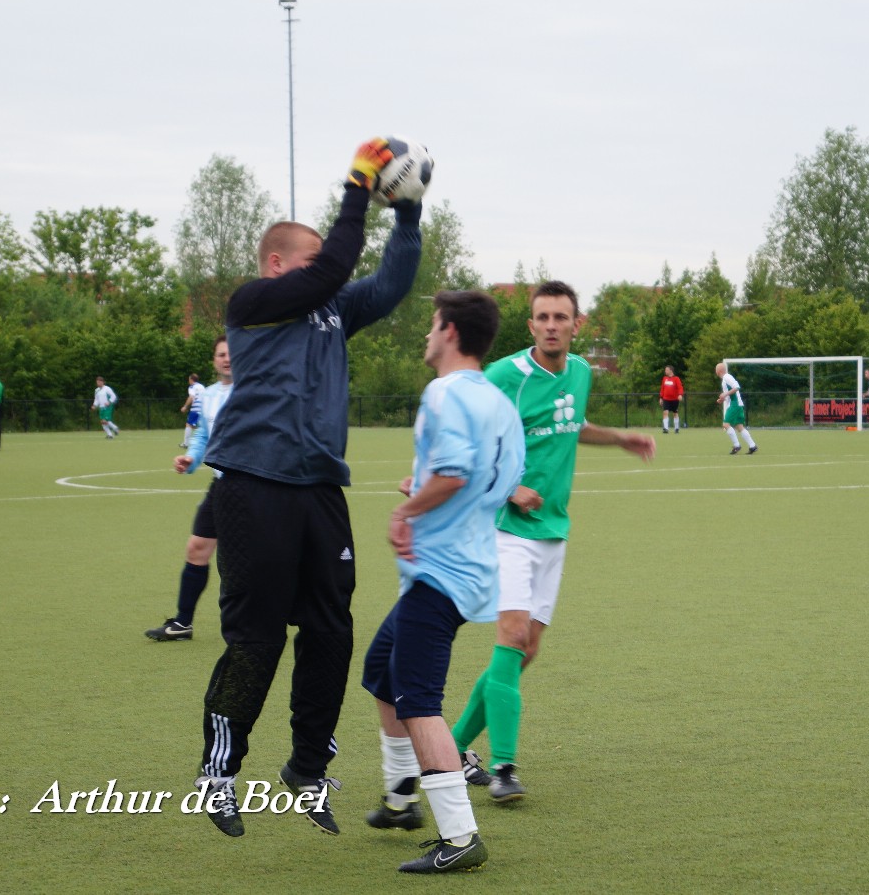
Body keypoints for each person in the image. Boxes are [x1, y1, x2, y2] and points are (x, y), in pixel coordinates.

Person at [192, 139, 420, 839]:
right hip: (253, 485)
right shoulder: (254, 302)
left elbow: (388, 284)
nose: (326, 268)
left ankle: (307, 766)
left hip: (320, 490)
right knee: (256, 637)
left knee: (330, 631)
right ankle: (219, 773)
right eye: (313, 258)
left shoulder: (330, 307)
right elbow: (334, 272)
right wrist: (357, 188)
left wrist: (407, 214)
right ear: (276, 263)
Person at [451, 280, 655, 804]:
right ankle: (503, 768)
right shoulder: (505, 376)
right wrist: (508, 487)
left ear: (576, 324)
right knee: (512, 635)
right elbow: (465, 436)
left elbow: (571, 424)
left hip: (553, 530)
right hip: (505, 529)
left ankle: (451, 749)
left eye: (560, 317)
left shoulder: (581, 372)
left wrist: (620, 438)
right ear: (530, 325)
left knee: (526, 650)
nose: (550, 326)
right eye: (542, 317)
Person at [362, 291, 524, 873]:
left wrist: (406, 511)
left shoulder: (445, 392)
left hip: (442, 570)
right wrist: (427, 485)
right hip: (469, 562)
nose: (427, 335)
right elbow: (497, 479)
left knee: (416, 699)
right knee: (382, 672)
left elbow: (454, 474)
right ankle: (401, 799)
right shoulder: (498, 402)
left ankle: (460, 838)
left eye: (432, 325)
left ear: (450, 332)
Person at [146, 337, 233, 641]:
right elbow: (202, 437)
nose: (227, 358)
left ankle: (265, 618)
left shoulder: (255, 390)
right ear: (214, 360)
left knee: (251, 557)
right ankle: (183, 623)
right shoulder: (207, 395)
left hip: (255, 487)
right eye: (221, 354)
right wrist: (191, 458)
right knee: (197, 548)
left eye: (232, 353)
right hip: (222, 484)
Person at [715, 362, 758, 454]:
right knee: (739, 427)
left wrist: (725, 394)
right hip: (737, 404)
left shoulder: (727, 377)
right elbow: (730, 394)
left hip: (734, 404)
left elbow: (737, 387)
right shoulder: (725, 379)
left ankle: (737, 445)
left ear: (718, 371)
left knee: (726, 424)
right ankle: (752, 446)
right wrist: (722, 399)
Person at [180, 373, 204, 449]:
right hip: (203, 409)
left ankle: (186, 444)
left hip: (196, 409)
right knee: (198, 426)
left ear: (191, 379)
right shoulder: (202, 386)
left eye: (189, 379)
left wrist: (185, 406)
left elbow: (191, 397)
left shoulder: (192, 386)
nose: (188, 381)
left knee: (189, 424)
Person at [659, 365, 684, 433]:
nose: (665, 371)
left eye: (666, 370)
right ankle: (666, 428)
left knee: (675, 413)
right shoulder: (664, 378)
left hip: (674, 399)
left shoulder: (676, 378)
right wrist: (661, 398)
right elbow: (662, 388)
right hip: (666, 399)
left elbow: (680, 387)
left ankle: (676, 428)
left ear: (671, 370)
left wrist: (680, 394)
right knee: (665, 412)